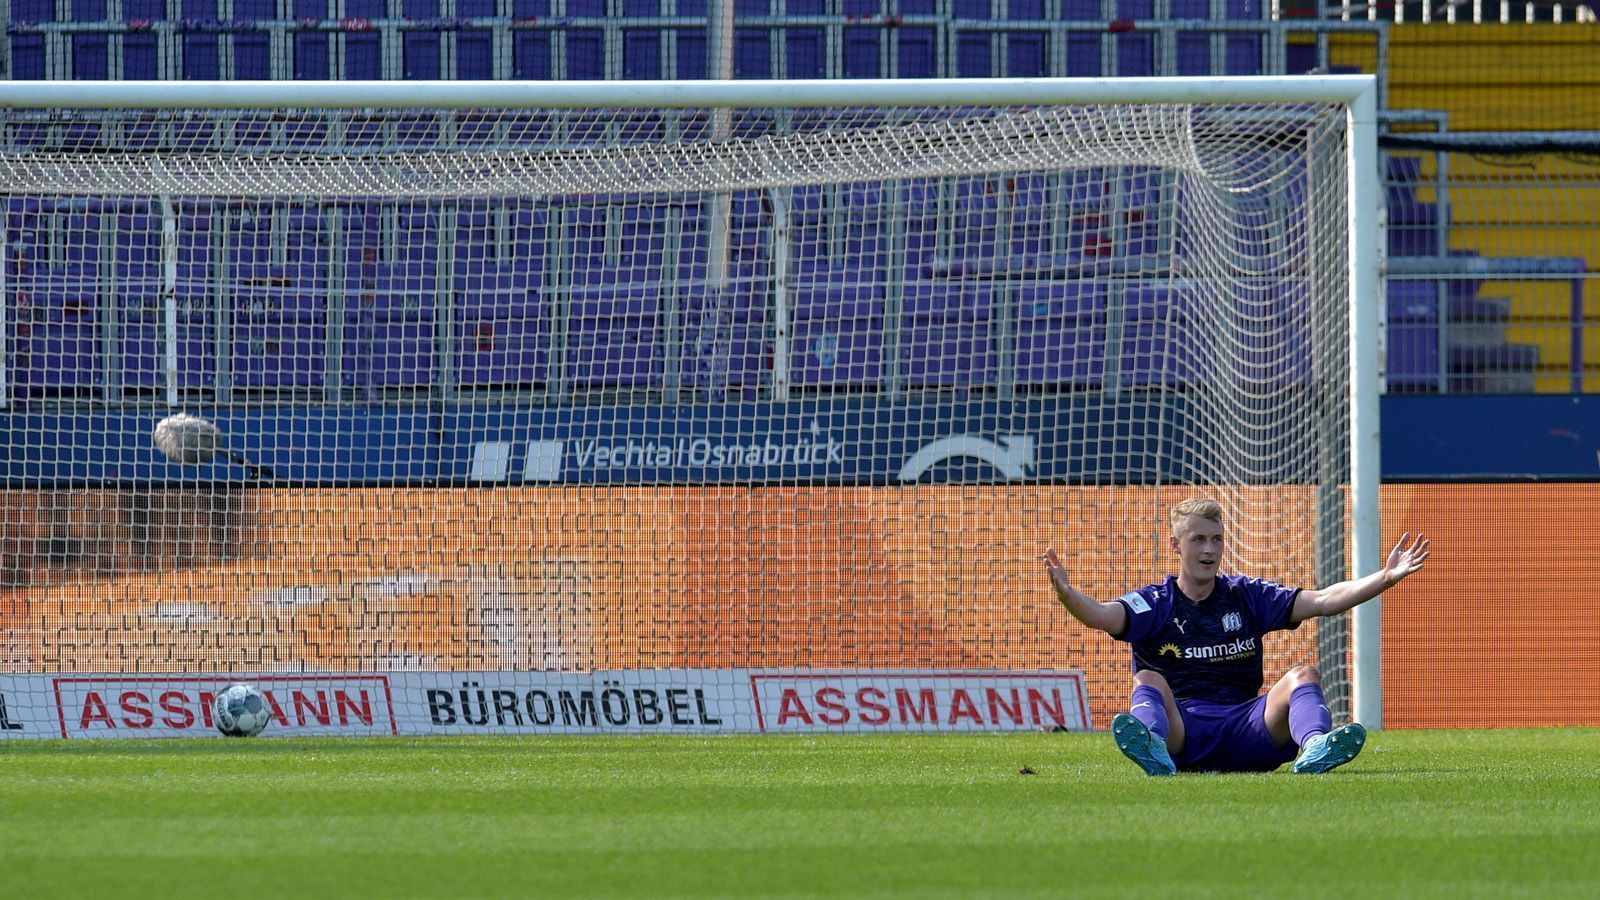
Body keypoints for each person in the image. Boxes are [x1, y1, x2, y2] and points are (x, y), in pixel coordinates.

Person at [1041, 497, 1431, 776]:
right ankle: (1153, 747)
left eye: (1216, 539)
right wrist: (1069, 595)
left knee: (1303, 675)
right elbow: (1102, 616)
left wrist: (1383, 578)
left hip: (1248, 729)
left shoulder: (1247, 595)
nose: (1209, 549)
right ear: (1177, 545)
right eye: (1198, 539)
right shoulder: (1155, 602)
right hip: (1185, 734)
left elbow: (1325, 600)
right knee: (1148, 679)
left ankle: (1314, 748)